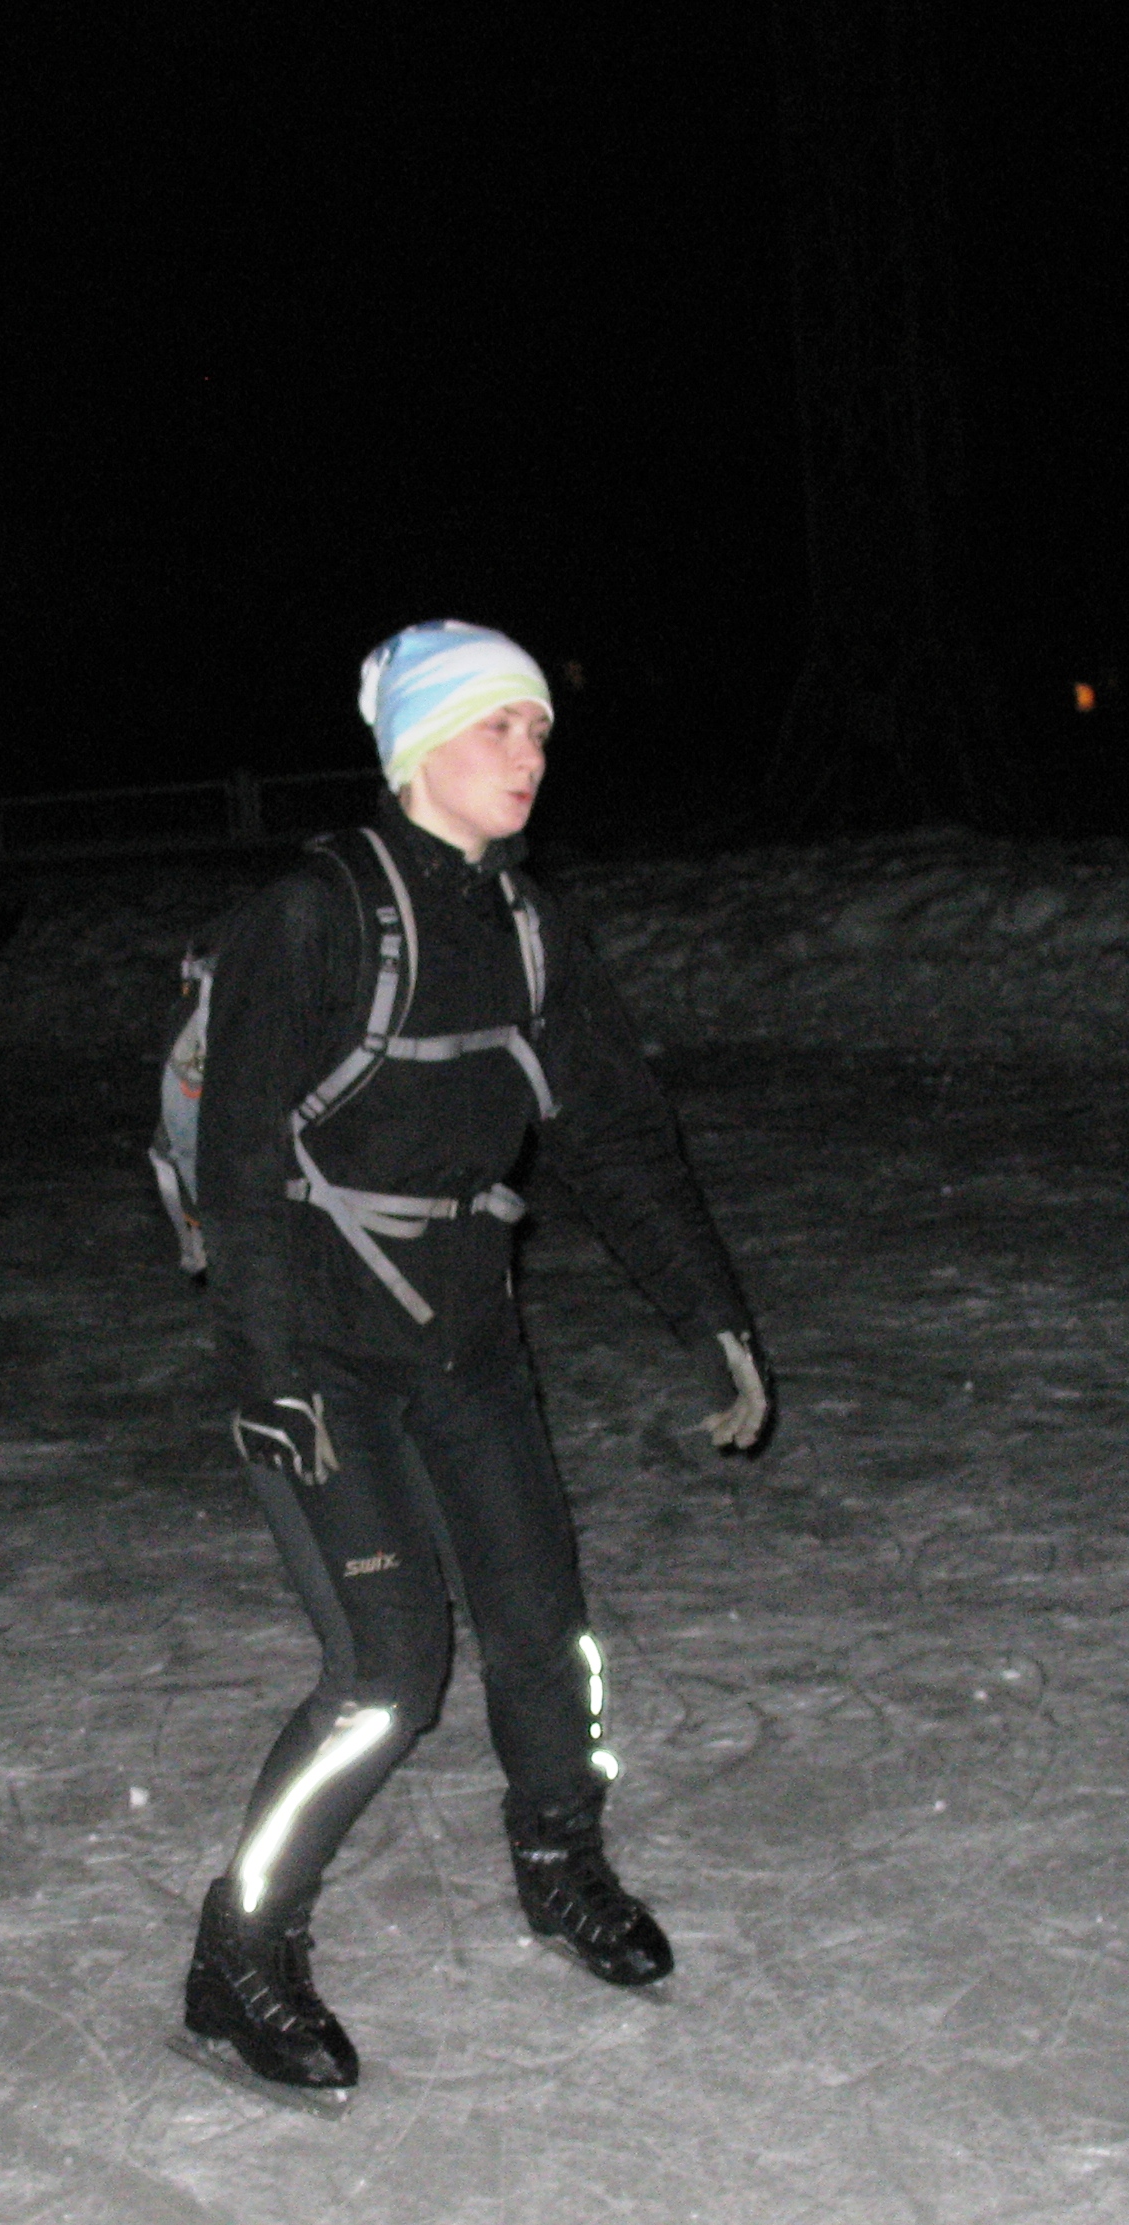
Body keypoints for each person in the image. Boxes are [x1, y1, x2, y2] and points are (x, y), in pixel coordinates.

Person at [179, 619, 769, 2100]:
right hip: (324, 1360)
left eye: (540, 728)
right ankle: (240, 1950)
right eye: (500, 725)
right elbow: (239, 1168)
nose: (532, 753)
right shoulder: (310, 921)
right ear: (418, 748)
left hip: (468, 1347)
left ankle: (561, 1863)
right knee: (386, 1678)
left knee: (544, 1631)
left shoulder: (529, 928)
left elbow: (617, 1136)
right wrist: (270, 1378)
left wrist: (709, 1316)